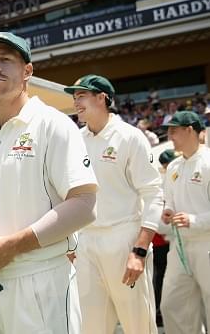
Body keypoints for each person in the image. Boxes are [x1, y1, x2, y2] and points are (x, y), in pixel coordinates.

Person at [0, 31, 98, 334]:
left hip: (40, 279)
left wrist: (12, 247)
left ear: (27, 71)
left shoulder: (53, 124)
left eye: (5, 60)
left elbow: (84, 205)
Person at [64, 74, 163, 334]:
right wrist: (72, 242)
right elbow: (70, 195)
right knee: (91, 327)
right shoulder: (76, 140)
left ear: (103, 98)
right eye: (74, 97)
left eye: (82, 95)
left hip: (124, 239)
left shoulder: (130, 137)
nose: (76, 102)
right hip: (86, 243)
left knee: (138, 325)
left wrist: (139, 251)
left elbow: (153, 193)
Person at [160, 111, 210, 333]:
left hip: (206, 244)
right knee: (172, 304)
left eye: (174, 131)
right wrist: (168, 211)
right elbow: (169, 201)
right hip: (179, 245)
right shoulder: (173, 166)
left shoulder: (208, 162)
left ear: (190, 129)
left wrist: (194, 220)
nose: (170, 136)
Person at [152, 149, 178, 327]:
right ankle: (159, 311)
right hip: (161, 238)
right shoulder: (163, 179)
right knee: (161, 275)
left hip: (167, 236)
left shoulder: (172, 176)